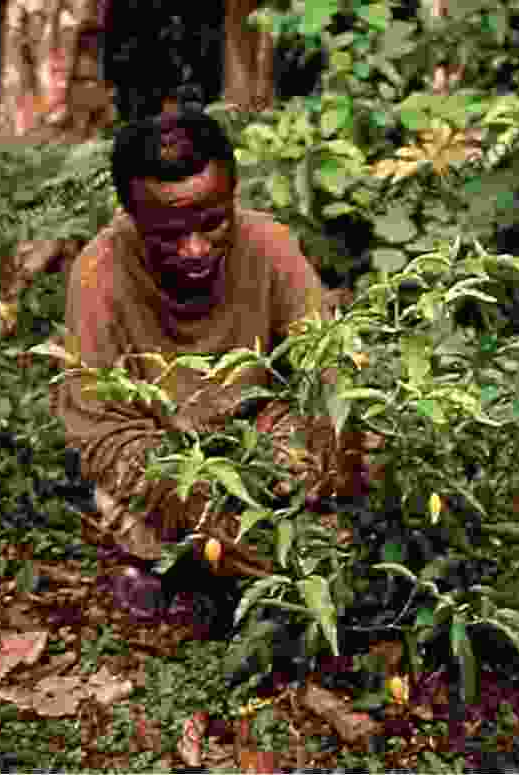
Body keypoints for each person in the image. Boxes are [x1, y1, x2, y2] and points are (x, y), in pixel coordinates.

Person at [49, 107, 377, 618]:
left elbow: (328, 367)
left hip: (259, 443)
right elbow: (102, 435)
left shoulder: (269, 245)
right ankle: (179, 568)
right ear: (133, 218)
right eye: (168, 235)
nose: (196, 249)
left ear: (233, 195)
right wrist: (202, 509)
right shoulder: (99, 275)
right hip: (167, 462)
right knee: (134, 515)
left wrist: (331, 460)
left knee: (351, 458)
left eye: (213, 223)